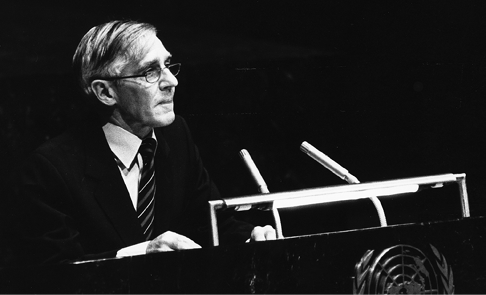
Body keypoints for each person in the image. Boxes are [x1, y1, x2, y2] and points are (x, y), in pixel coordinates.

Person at [5, 20, 276, 266]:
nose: (172, 81)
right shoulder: (50, 170)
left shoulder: (176, 135)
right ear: (105, 92)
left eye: (168, 66)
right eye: (150, 72)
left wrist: (250, 239)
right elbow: (53, 273)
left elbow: (211, 222)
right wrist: (142, 254)